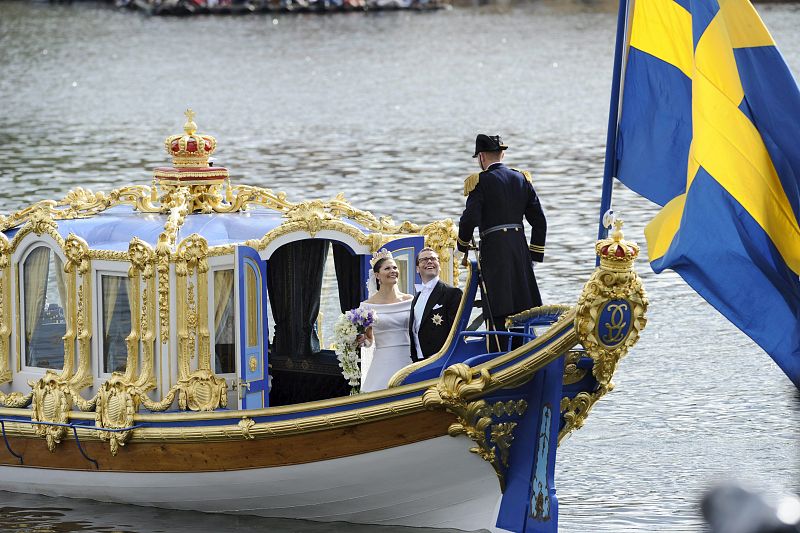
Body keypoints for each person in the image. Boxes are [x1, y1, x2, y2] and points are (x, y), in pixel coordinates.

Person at [456, 134, 546, 349]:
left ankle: (498, 352)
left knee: (497, 304)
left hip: (494, 250)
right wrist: (533, 255)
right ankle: (523, 348)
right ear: (502, 154)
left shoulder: (480, 181)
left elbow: (469, 219)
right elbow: (539, 222)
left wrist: (462, 245)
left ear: (481, 157)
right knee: (522, 304)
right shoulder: (521, 179)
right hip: (519, 251)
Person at [358, 249, 414, 392]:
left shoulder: (410, 300)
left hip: (409, 358)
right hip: (383, 359)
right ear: (377, 275)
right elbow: (369, 340)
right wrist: (360, 340)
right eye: (387, 268)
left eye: (395, 267)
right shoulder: (367, 306)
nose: (393, 271)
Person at [409, 247, 463, 362]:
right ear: (417, 269)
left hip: (442, 360)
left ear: (439, 266)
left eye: (433, 259)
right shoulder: (416, 299)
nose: (429, 261)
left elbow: (457, 330)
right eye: (424, 259)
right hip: (418, 360)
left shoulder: (452, 293)